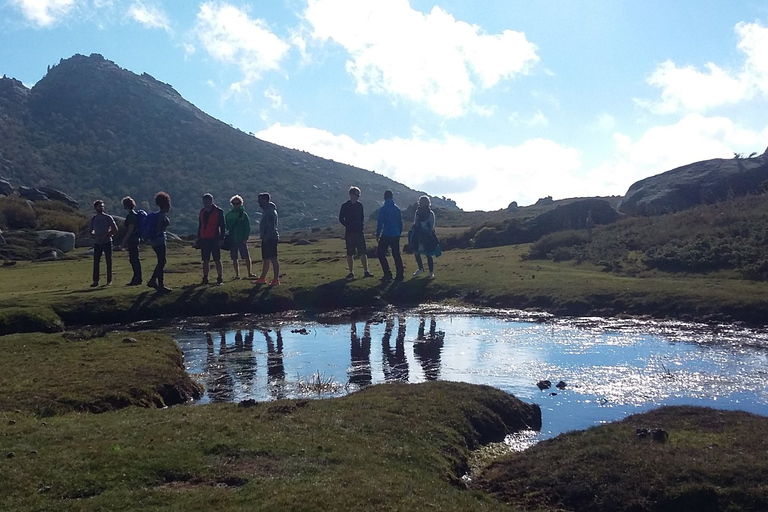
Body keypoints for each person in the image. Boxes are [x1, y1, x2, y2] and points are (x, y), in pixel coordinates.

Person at [338, 186, 373, 279]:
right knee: (350, 253)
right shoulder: (345, 206)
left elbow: (361, 217)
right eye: (356, 195)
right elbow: (341, 218)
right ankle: (351, 272)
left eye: (359, 195)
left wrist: (360, 226)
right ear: (351, 195)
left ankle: (366, 271)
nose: (358, 196)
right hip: (350, 232)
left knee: (363, 252)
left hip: (359, 232)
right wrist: (347, 225)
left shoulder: (360, 205)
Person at [87, 199, 118, 287]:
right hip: (97, 243)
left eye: (102, 206)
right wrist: (95, 236)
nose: (101, 208)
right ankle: (95, 281)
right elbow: (90, 231)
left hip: (107, 242)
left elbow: (115, 228)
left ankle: (109, 280)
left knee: (109, 261)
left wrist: (107, 235)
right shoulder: (93, 219)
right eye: (100, 206)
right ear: (95, 207)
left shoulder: (108, 217)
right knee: (96, 262)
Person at [197, 193, 226, 285]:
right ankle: (205, 278)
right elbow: (200, 225)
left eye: (207, 202)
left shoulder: (218, 211)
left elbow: (223, 226)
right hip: (204, 239)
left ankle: (220, 277)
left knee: (217, 259)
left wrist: (221, 238)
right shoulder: (202, 212)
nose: (206, 204)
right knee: (205, 260)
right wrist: (199, 239)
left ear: (211, 201)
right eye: (204, 202)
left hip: (214, 238)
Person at [375, 190, 404, 281]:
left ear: (384, 197)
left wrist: (377, 233)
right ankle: (400, 275)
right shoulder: (397, 209)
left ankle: (387, 274)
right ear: (392, 197)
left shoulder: (383, 209)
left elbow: (380, 222)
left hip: (386, 233)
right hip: (395, 233)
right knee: (396, 254)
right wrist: (399, 232)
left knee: (380, 253)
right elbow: (400, 222)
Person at [252, 192, 280, 286]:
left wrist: (266, 236)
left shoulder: (270, 212)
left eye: (260, 200)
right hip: (266, 238)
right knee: (266, 259)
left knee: (273, 258)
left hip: (270, 238)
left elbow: (271, 226)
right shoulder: (266, 210)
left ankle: (275, 279)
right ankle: (262, 278)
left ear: (265, 200)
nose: (258, 202)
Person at [225, 194, 255, 280]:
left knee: (246, 256)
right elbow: (226, 227)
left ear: (241, 203)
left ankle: (250, 272)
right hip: (232, 239)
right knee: (234, 258)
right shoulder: (228, 215)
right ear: (232, 204)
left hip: (241, 239)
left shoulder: (244, 215)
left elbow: (247, 227)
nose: (236, 205)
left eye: (237, 203)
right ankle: (237, 275)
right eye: (234, 203)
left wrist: (246, 238)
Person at [147, 191, 172, 293]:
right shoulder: (161, 216)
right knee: (162, 261)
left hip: (154, 241)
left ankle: (154, 281)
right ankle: (158, 283)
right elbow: (158, 229)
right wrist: (164, 226)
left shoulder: (157, 215)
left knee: (161, 261)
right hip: (159, 240)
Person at [411, 195, 438, 278]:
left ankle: (431, 272)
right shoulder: (417, 212)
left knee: (428, 254)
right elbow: (415, 222)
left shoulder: (430, 213)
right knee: (416, 252)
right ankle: (420, 268)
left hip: (427, 235)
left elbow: (432, 225)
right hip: (418, 234)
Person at [120, 196, 142, 286]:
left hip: (133, 240)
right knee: (134, 259)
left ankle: (137, 278)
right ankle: (137, 277)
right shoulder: (135, 215)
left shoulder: (131, 216)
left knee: (134, 259)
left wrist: (124, 240)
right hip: (136, 239)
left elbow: (130, 230)